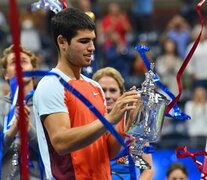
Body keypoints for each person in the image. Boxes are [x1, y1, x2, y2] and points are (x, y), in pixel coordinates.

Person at [33, 8, 140, 179]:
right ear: (62, 42)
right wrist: (110, 119)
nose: (92, 48)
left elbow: (108, 152)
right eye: (83, 41)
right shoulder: (51, 85)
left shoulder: (95, 87)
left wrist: (126, 118)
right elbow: (61, 142)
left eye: (92, 41)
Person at [92, 67, 154, 180]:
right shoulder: (85, 122)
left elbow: (148, 170)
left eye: (112, 90)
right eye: (102, 90)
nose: (107, 96)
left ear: (122, 94)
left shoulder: (133, 123)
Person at [0, 45, 43, 179]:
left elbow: (55, 151)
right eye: (14, 62)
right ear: (6, 73)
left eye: (24, 61)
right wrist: (12, 131)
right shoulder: (0, 107)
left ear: (33, 71)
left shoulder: (46, 104)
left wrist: (28, 129)